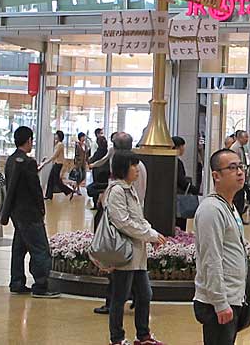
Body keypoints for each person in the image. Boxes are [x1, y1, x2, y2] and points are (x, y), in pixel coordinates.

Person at [105, 152, 166, 345]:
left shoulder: (129, 190)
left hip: (137, 256)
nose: (137, 169)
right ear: (123, 168)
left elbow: (138, 219)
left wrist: (153, 234)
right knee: (120, 297)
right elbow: (123, 223)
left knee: (144, 294)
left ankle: (143, 335)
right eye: (133, 165)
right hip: (125, 255)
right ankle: (117, 338)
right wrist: (150, 235)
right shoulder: (116, 191)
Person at [193, 148, 248, 345]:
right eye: (232, 168)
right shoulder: (212, 210)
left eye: (241, 166)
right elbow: (211, 259)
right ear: (216, 176)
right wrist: (220, 303)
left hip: (233, 295)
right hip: (216, 302)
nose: (240, 172)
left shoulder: (229, 206)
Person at [0, 126, 60, 299]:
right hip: (30, 213)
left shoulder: (11, 160)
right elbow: (35, 189)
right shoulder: (28, 162)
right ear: (28, 141)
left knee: (19, 247)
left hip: (16, 212)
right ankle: (41, 285)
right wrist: (41, 209)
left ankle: (17, 281)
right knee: (40, 248)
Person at [92, 131, 148, 316]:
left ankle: (115, 308)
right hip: (136, 225)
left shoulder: (121, 176)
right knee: (134, 273)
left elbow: (120, 218)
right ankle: (135, 298)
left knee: (119, 269)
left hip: (125, 230)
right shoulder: (141, 167)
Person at [173, 136, 199, 231]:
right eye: (182, 146)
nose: (183, 149)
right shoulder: (177, 162)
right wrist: (194, 189)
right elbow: (181, 181)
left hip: (171, 199)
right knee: (180, 224)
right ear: (177, 147)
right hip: (178, 197)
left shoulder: (170, 160)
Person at [40, 131, 74, 200]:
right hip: (56, 164)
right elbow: (54, 155)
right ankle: (49, 195)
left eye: (56, 135)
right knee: (50, 179)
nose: (55, 136)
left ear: (59, 136)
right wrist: (47, 159)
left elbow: (54, 156)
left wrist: (45, 162)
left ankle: (69, 191)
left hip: (58, 165)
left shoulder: (60, 145)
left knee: (57, 181)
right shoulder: (57, 144)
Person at [229, 130, 249, 215]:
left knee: (241, 197)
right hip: (236, 178)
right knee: (237, 198)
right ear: (240, 137)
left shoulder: (240, 147)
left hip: (241, 176)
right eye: (246, 137)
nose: (247, 139)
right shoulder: (235, 148)